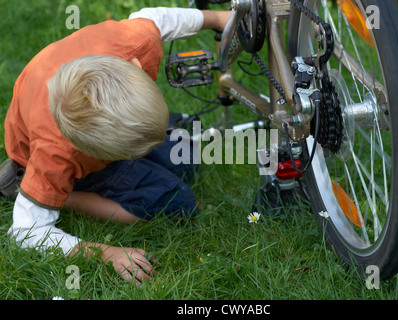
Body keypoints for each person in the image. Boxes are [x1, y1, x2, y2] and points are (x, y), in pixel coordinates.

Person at [0, 7, 231, 284]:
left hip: (89, 131)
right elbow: (26, 232)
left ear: (136, 66)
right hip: (41, 157)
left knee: (188, 158)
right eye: (136, 152)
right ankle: (37, 190)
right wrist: (106, 253)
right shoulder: (58, 155)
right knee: (176, 203)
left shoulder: (135, 43)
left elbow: (160, 18)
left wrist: (218, 18)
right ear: (95, 154)